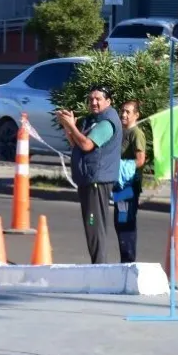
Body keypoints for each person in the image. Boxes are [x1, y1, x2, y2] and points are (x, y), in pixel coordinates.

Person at [55, 84, 123, 265]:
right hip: (88, 178)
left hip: (97, 180)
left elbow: (86, 145)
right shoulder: (92, 119)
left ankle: (99, 267)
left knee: (94, 226)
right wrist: (68, 127)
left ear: (108, 101)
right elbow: (75, 144)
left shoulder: (107, 123)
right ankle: (98, 266)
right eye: (91, 99)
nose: (94, 102)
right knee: (90, 225)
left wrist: (72, 127)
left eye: (98, 99)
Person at [113, 100, 146, 263]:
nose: (124, 114)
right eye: (122, 111)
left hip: (129, 186)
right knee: (120, 220)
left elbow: (140, 160)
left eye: (128, 112)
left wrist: (121, 167)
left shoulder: (136, 133)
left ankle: (128, 260)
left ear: (136, 115)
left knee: (125, 221)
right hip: (120, 186)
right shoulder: (121, 131)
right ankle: (124, 259)